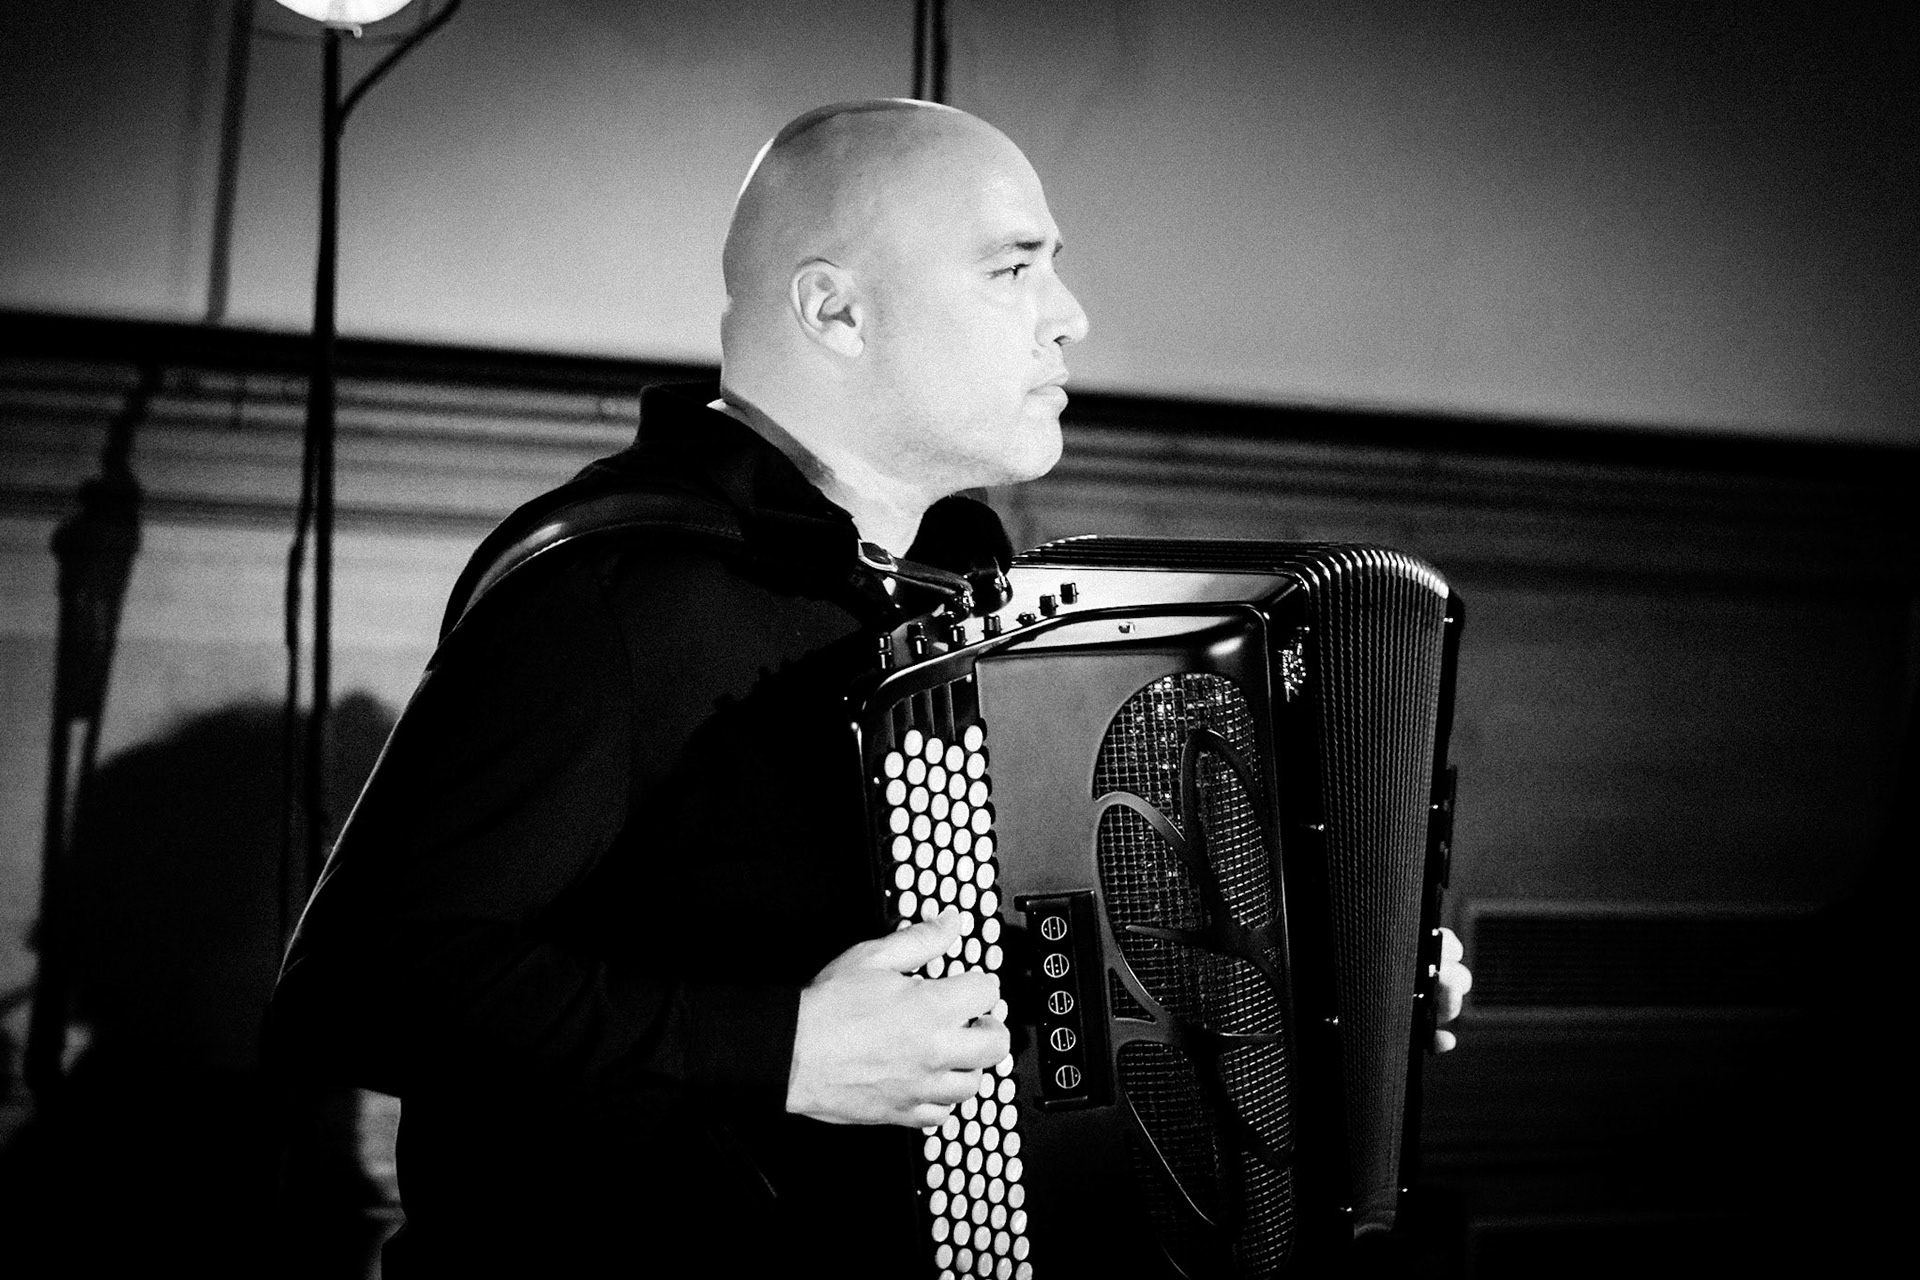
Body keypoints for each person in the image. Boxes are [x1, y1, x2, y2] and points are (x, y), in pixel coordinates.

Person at [270, 99, 1470, 1276]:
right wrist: (782, 1047)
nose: (1072, 317)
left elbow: (1066, 943)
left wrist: (1327, 961)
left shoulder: (967, 576)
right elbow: (359, 985)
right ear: (836, 309)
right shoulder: (619, 592)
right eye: (1014, 270)